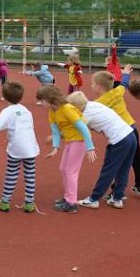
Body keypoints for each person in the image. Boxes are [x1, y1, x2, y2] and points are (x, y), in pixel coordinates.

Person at [66, 92, 137, 209]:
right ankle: (117, 198)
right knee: (123, 169)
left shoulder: (86, 115)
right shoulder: (93, 104)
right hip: (130, 135)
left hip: (119, 140)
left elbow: (77, 130)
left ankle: (94, 199)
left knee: (108, 170)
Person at [35, 85, 96, 213]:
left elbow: (83, 127)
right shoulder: (52, 111)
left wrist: (90, 147)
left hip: (79, 141)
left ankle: (71, 202)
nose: (40, 103)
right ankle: (68, 197)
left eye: (42, 100)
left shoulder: (67, 109)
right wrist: (55, 148)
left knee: (71, 171)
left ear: (50, 99)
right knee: (63, 169)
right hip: (70, 141)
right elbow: (56, 131)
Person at [91, 67, 140, 195]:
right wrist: (126, 74)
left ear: (99, 86)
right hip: (132, 127)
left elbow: (86, 110)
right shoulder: (118, 91)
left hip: (122, 133)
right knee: (135, 157)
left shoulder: (99, 102)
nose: (91, 86)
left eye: (93, 83)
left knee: (119, 161)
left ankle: (117, 190)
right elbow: (124, 83)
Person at [0, 81, 39, 213]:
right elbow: (27, 127)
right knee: (30, 174)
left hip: (16, 148)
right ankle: (29, 202)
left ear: (4, 96)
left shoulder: (7, 111)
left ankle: (5, 201)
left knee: (12, 173)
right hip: (31, 147)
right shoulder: (26, 110)